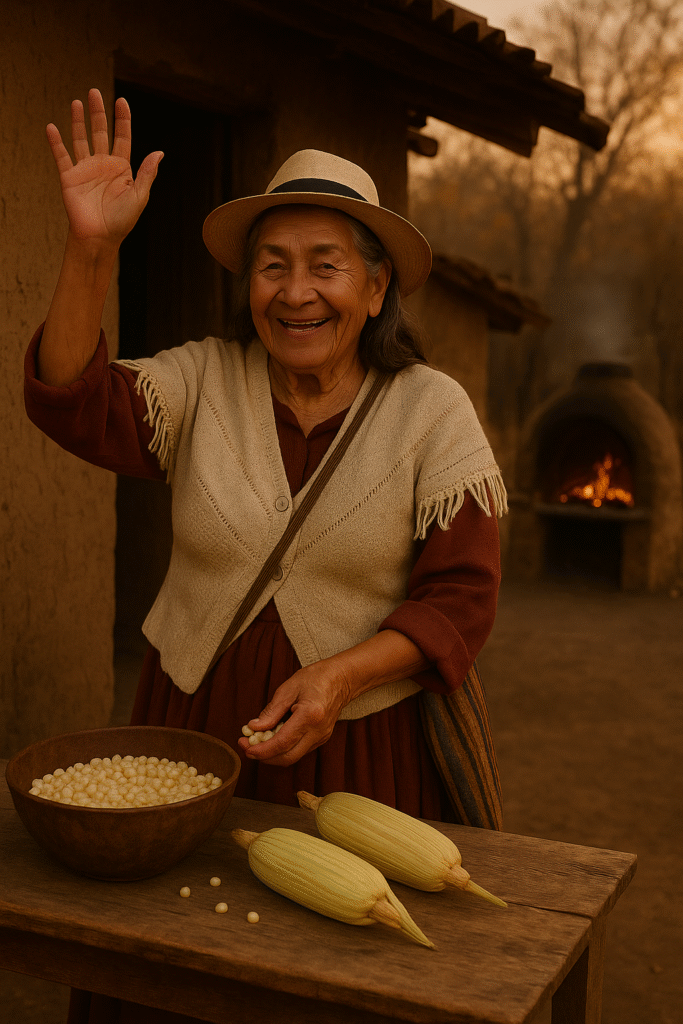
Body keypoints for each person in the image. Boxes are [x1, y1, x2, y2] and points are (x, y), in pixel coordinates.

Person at [25, 88, 506, 1024]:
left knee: (334, 973)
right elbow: (72, 400)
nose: (295, 291)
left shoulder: (429, 412)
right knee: (167, 970)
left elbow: (461, 598)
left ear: (374, 289)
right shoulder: (203, 379)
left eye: (326, 266)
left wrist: (338, 678)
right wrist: (92, 249)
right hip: (192, 732)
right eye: (272, 266)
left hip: (359, 751)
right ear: (246, 285)